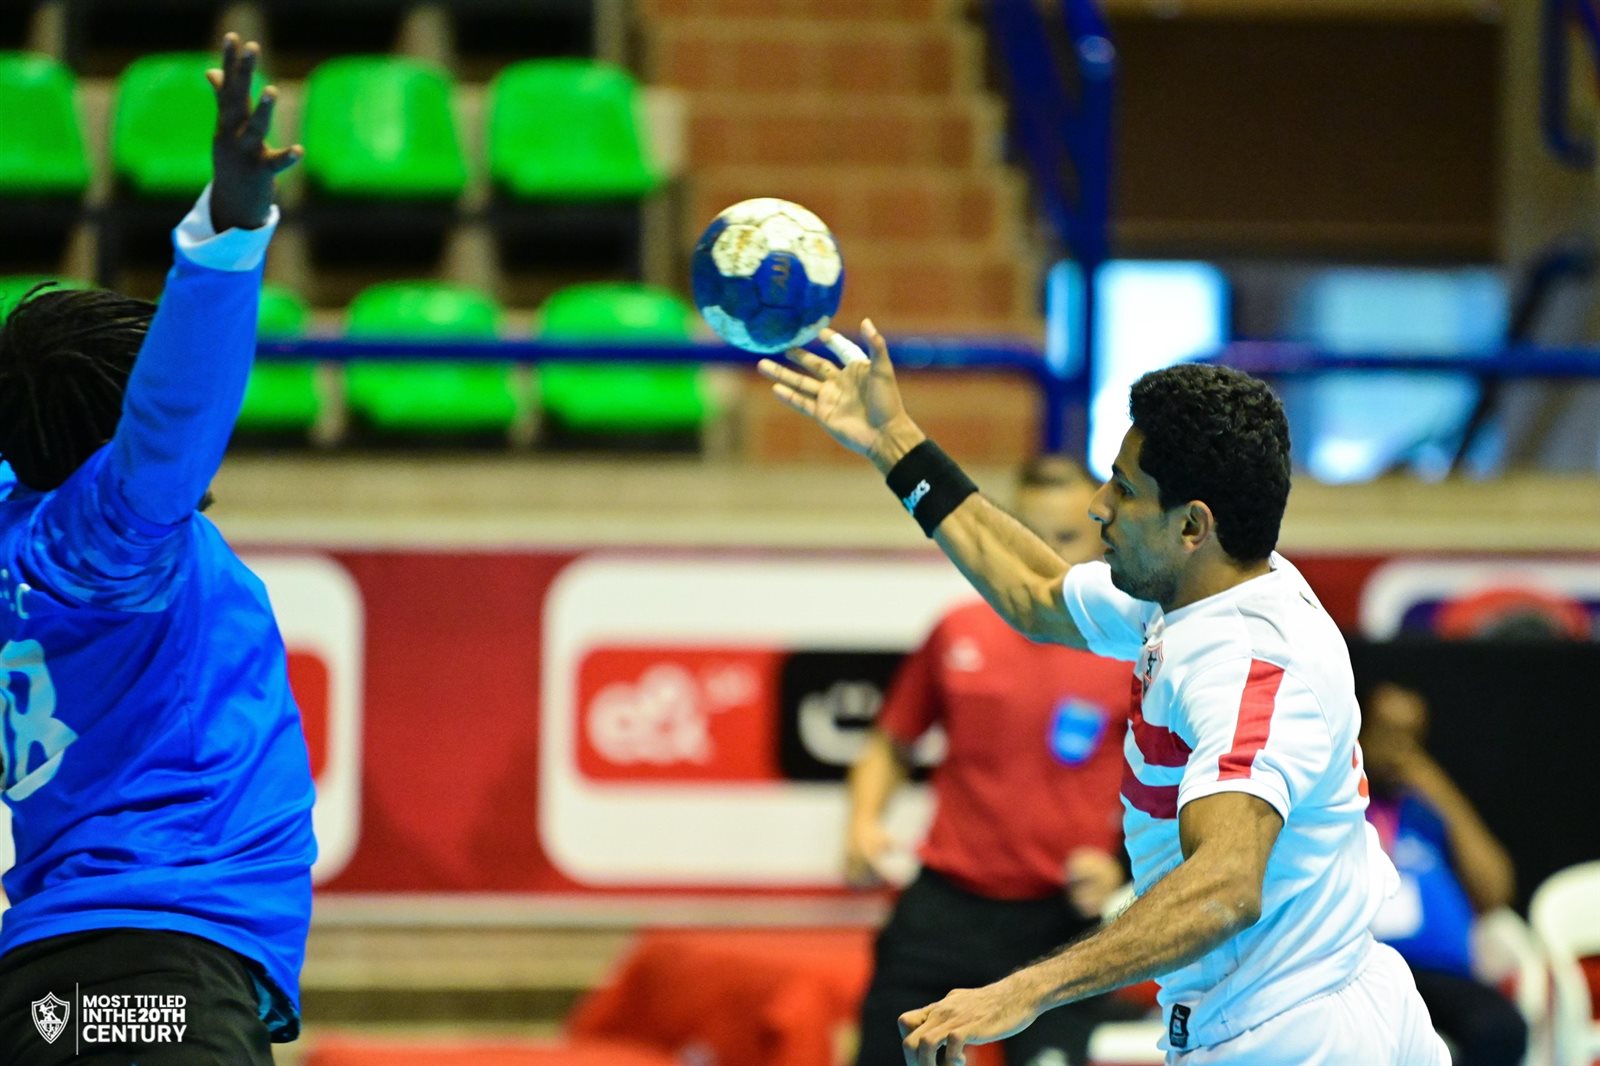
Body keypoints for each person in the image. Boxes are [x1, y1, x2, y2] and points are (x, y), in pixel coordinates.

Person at [758, 323, 1448, 1066]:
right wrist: (893, 441)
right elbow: (1034, 591)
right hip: (1317, 1003)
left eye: (1124, 488)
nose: (1098, 506)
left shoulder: (1251, 667)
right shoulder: (1194, 591)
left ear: (1192, 525)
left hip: (1287, 1038)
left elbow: (1223, 888)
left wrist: (1020, 992)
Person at [0, 35, 313, 1064]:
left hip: (44, 999)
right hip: (152, 984)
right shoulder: (106, 546)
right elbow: (171, 412)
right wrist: (230, 231)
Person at [847, 455, 1132, 1066]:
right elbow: (891, 743)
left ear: (1101, 541)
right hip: (945, 907)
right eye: (1026, 535)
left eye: (1064, 538)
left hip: (1061, 923)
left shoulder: (1131, 648)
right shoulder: (958, 631)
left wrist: (1119, 870)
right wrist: (863, 823)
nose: (1043, 557)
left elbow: (1172, 785)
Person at [1362, 681, 1528, 1066]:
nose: (1398, 749)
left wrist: (1435, 786)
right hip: (1369, 969)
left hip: (1442, 974)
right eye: (1387, 733)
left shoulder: (1429, 812)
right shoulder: (1340, 807)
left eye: (1410, 737)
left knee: (1502, 1029)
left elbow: (1497, 890)